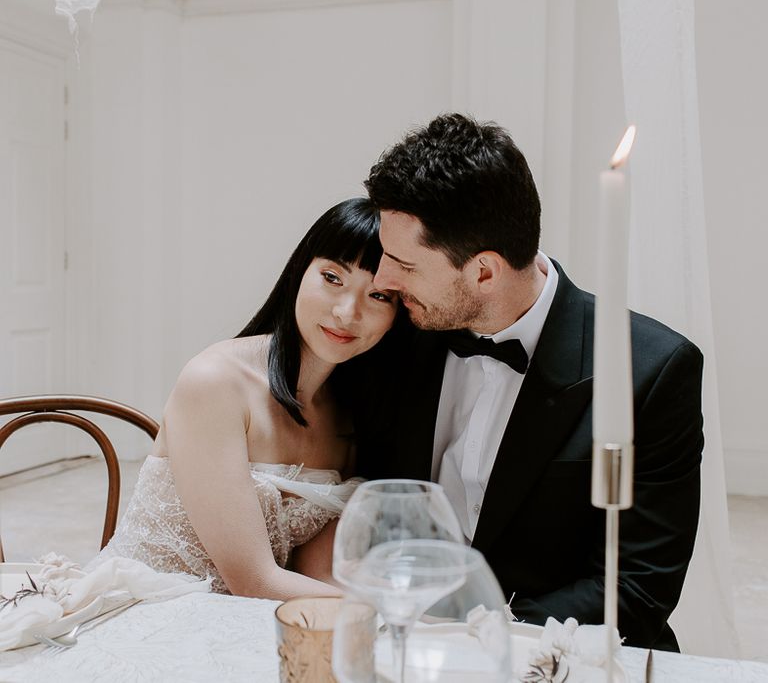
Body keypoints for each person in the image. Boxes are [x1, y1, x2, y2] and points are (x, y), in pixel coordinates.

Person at [352, 113, 704, 652]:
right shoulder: (402, 329)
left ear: (484, 272)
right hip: (401, 643)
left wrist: (475, 638)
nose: (383, 281)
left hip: (557, 655)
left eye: (404, 264)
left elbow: (636, 589)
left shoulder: (652, 372)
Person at [91, 198, 400, 599]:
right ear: (299, 272)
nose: (346, 312)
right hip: (145, 609)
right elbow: (254, 582)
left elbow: (317, 574)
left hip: (250, 621)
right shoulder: (216, 383)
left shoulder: (353, 416)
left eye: (378, 297)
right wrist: (400, 618)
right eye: (332, 277)